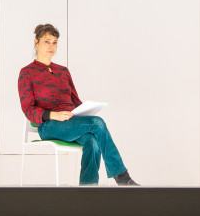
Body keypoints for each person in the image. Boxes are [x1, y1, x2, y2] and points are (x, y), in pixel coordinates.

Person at [17, 23, 139, 186]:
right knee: (97, 123)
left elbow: (75, 101)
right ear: (36, 42)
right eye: (47, 41)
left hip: (71, 123)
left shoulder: (63, 71)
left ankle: (87, 192)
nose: (51, 46)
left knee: (92, 141)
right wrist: (53, 115)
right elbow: (28, 109)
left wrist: (85, 109)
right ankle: (122, 178)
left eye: (55, 42)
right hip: (49, 126)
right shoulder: (27, 73)